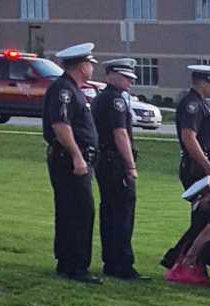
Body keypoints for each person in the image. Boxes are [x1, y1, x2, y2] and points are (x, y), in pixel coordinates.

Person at [42, 42, 100, 284]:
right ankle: (76, 266)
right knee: (80, 211)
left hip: (74, 159)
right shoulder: (64, 90)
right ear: (81, 66)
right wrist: (77, 156)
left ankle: (67, 262)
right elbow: (61, 126)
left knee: (70, 211)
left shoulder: (73, 89)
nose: (92, 67)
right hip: (69, 161)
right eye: (89, 63)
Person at [160, 64, 210, 269]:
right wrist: (207, 166)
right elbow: (189, 138)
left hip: (202, 167)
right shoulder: (192, 105)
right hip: (197, 168)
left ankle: (184, 260)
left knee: (204, 218)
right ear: (202, 82)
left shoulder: (200, 103)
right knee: (202, 219)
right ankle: (179, 259)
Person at [91, 58, 141, 280]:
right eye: (126, 77)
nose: (130, 82)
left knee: (110, 211)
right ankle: (121, 263)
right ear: (112, 75)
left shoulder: (103, 98)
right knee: (122, 213)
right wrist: (130, 166)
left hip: (105, 161)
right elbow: (120, 133)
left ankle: (111, 260)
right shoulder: (115, 101)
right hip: (115, 163)